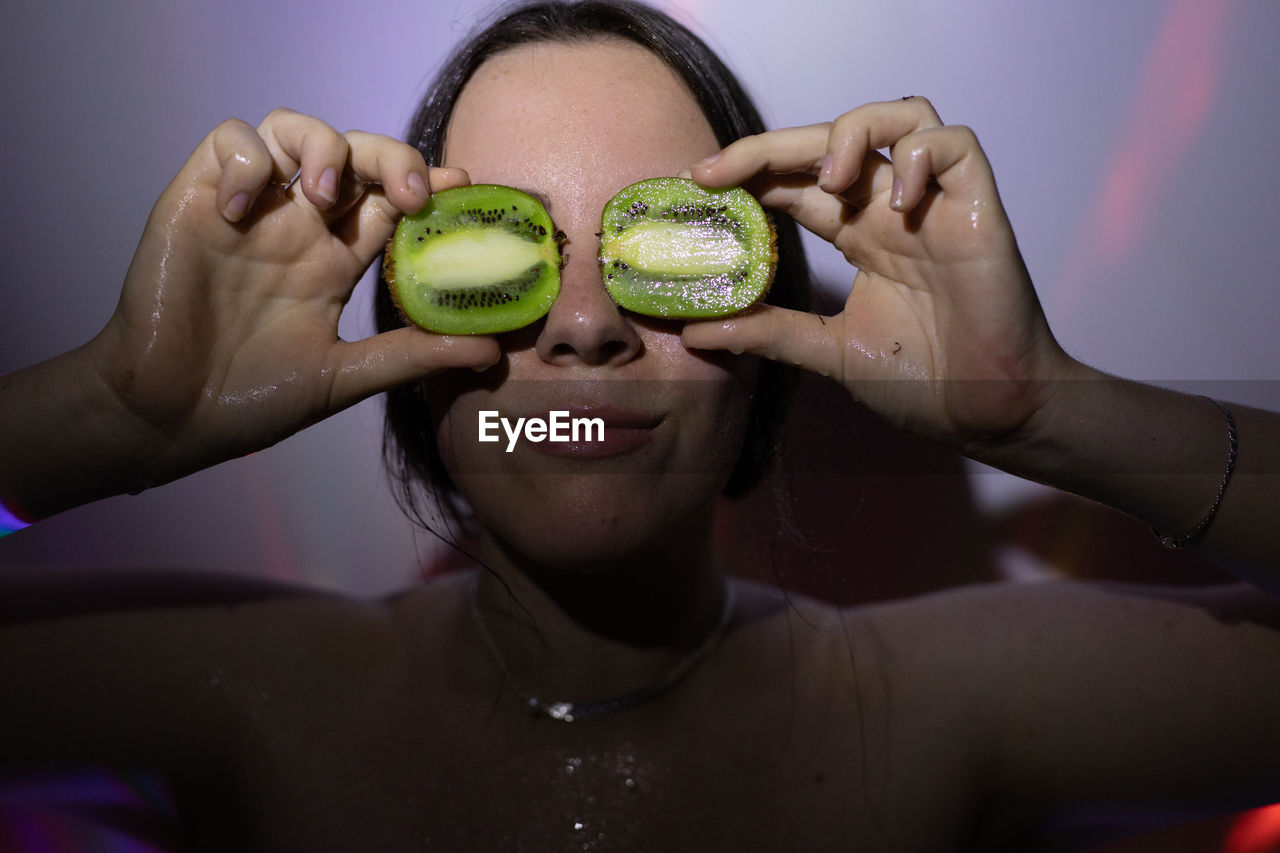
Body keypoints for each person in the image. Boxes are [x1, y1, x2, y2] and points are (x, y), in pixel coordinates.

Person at [1, 1, 1278, 850]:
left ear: (767, 339)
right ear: (396, 330)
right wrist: (97, 416)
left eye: (668, 246)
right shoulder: (246, 693)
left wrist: (1044, 408)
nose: (582, 327)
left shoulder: (939, 708)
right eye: (494, 249)